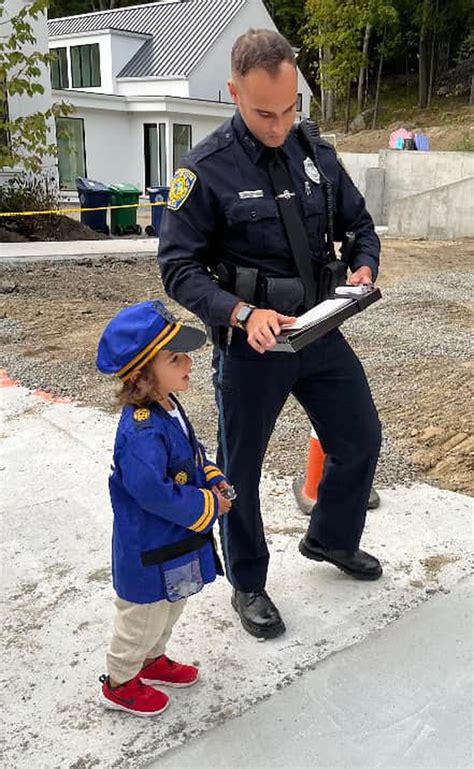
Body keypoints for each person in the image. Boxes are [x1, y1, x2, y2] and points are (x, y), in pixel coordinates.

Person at [158, 29, 383, 641]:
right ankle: (248, 583)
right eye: (264, 112)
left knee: (360, 437)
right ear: (233, 92)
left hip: (318, 330)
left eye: (289, 109)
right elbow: (178, 268)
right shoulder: (203, 170)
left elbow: (361, 227)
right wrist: (237, 312)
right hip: (251, 345)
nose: (279, 124)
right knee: (240, 470)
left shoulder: (316, 154)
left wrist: (365, 265)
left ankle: (330, 538)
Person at [96, 299, 232, 716]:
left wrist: (211, 475)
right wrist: (209, 504)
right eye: (175, 358)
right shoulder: (141, 431)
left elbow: (191, 454)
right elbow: (151, 492)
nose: (188, 362)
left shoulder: (170, 406)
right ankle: (120, 682)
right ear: (142, 375)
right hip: (150, 547)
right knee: (141, 618)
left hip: (176, 542)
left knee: (171, 605)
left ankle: (153, 660)